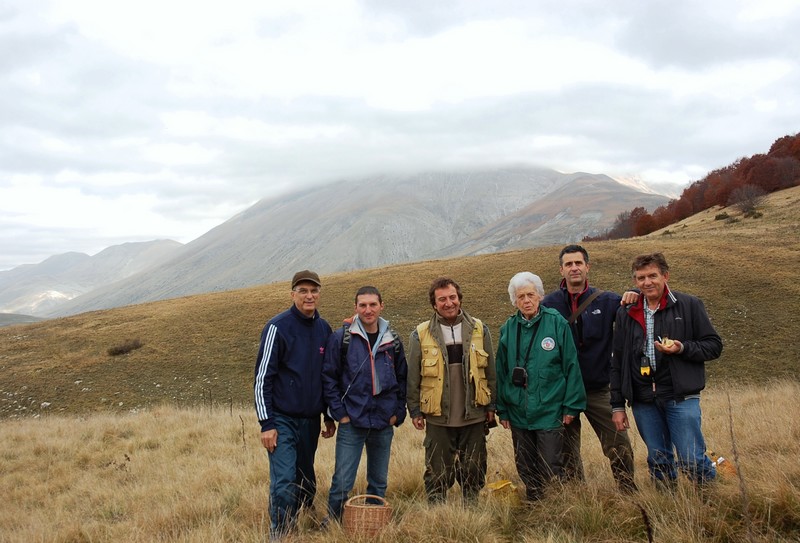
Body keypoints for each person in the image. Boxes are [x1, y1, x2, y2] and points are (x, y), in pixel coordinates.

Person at [610, 253, 723, 488]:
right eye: (641, 278)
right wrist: (618, 405)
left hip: (680, 395)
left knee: (691, 458)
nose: (647, 282)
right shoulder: (627, 312)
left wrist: (681, 348)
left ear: (665, 276)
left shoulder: (689, 305)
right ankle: (667, 507)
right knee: (658, 459)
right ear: (635, 281)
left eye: (653, 275)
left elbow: (713, 345)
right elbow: (618, 361)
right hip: (643, 399)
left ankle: (711, 499)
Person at [541, 245, 636, 492]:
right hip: (563, 392)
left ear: (587, 267)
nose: (574, 268)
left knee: (618, 444)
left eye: (578, 263)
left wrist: (634, 292)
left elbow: (636, 311)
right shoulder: (547, 304)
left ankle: (628, 491)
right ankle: (579, 496)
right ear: (561, 269)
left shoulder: (608, 300)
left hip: (598, 388)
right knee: (567, 451)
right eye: (569, 264)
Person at [253, 270, 336, 539]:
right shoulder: (277, 327)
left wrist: (328, 415)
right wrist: (267, 424)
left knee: (306, 481)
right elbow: (262, 378)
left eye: (313, 290)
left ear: (319, 294)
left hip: (310, 421)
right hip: (282, 419)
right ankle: (281, 532)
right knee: (285, 481)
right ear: (293, 295)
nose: (309, 295)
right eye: (303, 291)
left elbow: (327, 376)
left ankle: (301, 520)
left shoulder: (324, 329)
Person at [496, 272, 586, 502]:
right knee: (525, 463)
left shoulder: (556, 323)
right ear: (514, 301)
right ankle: (534, 502)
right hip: (518, 412)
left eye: (530, 295)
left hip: (549, 409)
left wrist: (571, 406)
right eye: (521, 296)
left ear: (540, 296)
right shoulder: (508, 328)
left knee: (551, 463)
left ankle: (554, 505)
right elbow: (501, 372)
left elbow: (571, 365)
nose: (526, 300)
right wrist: (503, 410)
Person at [406, 277, 497, 504]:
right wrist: (415, 411)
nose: (449, 303)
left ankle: (472, 507)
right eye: (442, 299)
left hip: (474, 413)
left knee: (474, 467)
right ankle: (437, 511)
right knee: (437, 470)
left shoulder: (479, 328)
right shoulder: (420, 333)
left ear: (460, 298)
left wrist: (491, 406)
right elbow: (413, 376)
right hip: (438, 417)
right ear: (434, 304)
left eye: (452, 297)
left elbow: (492, 372)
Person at [322, 286, 408, 522]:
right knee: (342, 480)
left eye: (372, 305)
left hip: (383, 421)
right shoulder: (342, 338)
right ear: (355, 308)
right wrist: (341, 414)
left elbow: (403, 379)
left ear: (381, 305)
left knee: (378, 481)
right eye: (363, 305)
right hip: (352, 421)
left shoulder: (393, 340)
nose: (368, 310)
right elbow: (328, 378)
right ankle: (333, 522)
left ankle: (372, 522)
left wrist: (397, 413)